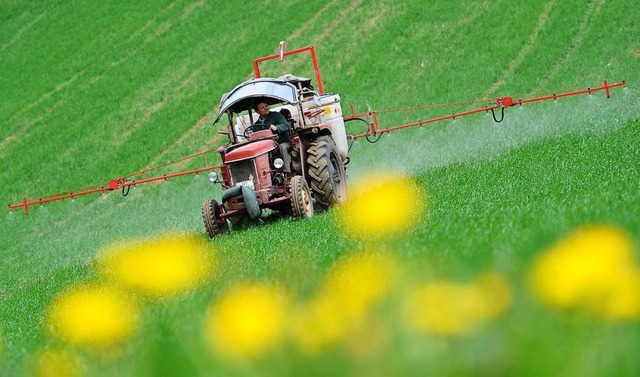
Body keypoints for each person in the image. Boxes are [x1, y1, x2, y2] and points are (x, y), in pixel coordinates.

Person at [253, 101, 292, 174]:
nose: (265, 108)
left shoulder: (276, 115)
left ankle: (287, 172)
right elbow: (255, 136)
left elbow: (286, 125)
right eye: (262, 107)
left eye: (266, 106)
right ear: (257, 111)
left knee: (282, 147)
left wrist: (277, 128)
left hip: (283, 142)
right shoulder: (256, 125)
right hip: (266, 147)